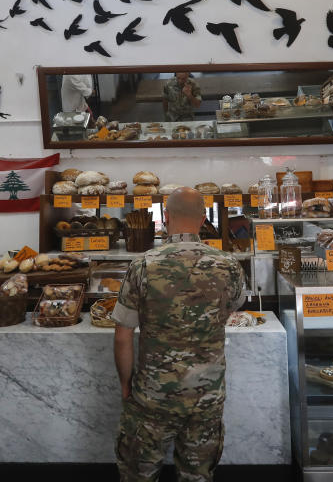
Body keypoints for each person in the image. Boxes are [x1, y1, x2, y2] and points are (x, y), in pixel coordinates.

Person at [112, 187, 245, 482]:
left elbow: (122, 335)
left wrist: (126, 386)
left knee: (139, 475)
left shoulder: (143, 265)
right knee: (197, 476)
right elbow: (233, 307)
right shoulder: (228, 265)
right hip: (206, 397)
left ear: (166, 217)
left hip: (152, 395)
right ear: (202, 220)